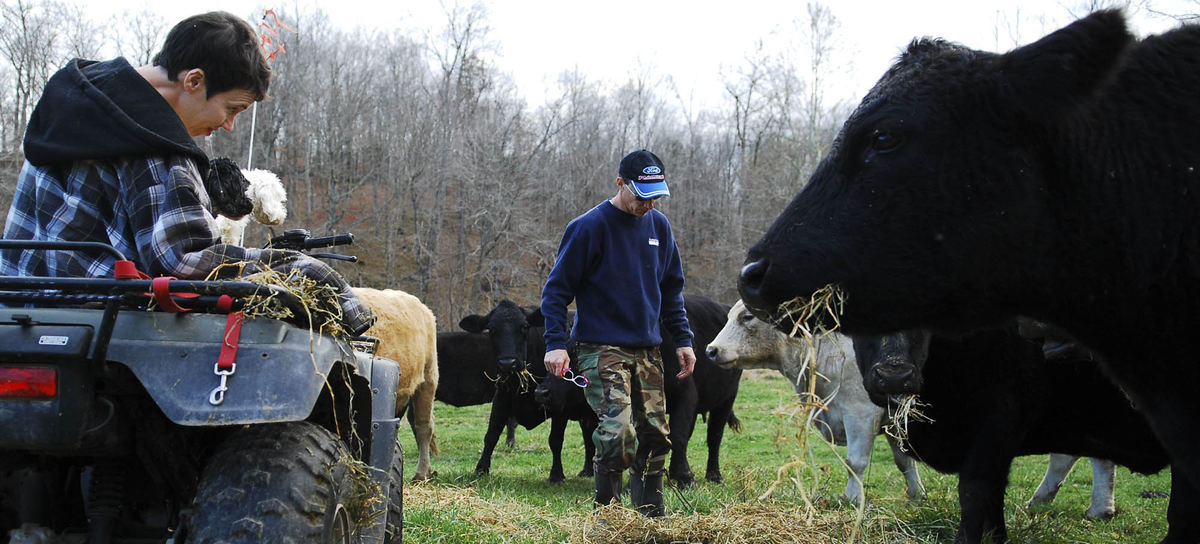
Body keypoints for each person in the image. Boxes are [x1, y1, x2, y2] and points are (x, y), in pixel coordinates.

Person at [0, 11, 373, 335]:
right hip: (95, 323)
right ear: (193, 81)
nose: (228, 125)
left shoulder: (84, 100)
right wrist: (296, 268)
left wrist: (206, 187)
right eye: (232, 108)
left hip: (17, 310)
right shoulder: (155, 146)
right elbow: (186, 266)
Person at [540, 149, 696, 517]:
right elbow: (556, 291)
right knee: (617, 434)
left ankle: (649, 516)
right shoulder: (588, 227)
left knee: (657, 434)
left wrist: (684, 339)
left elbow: (672, 290)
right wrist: (555, 344)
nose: (649, 204)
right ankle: (608, 517)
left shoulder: (659, 227)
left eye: (655, 195)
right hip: (601, 347)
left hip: (648, 349)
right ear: (620, 184)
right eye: (641, 195)